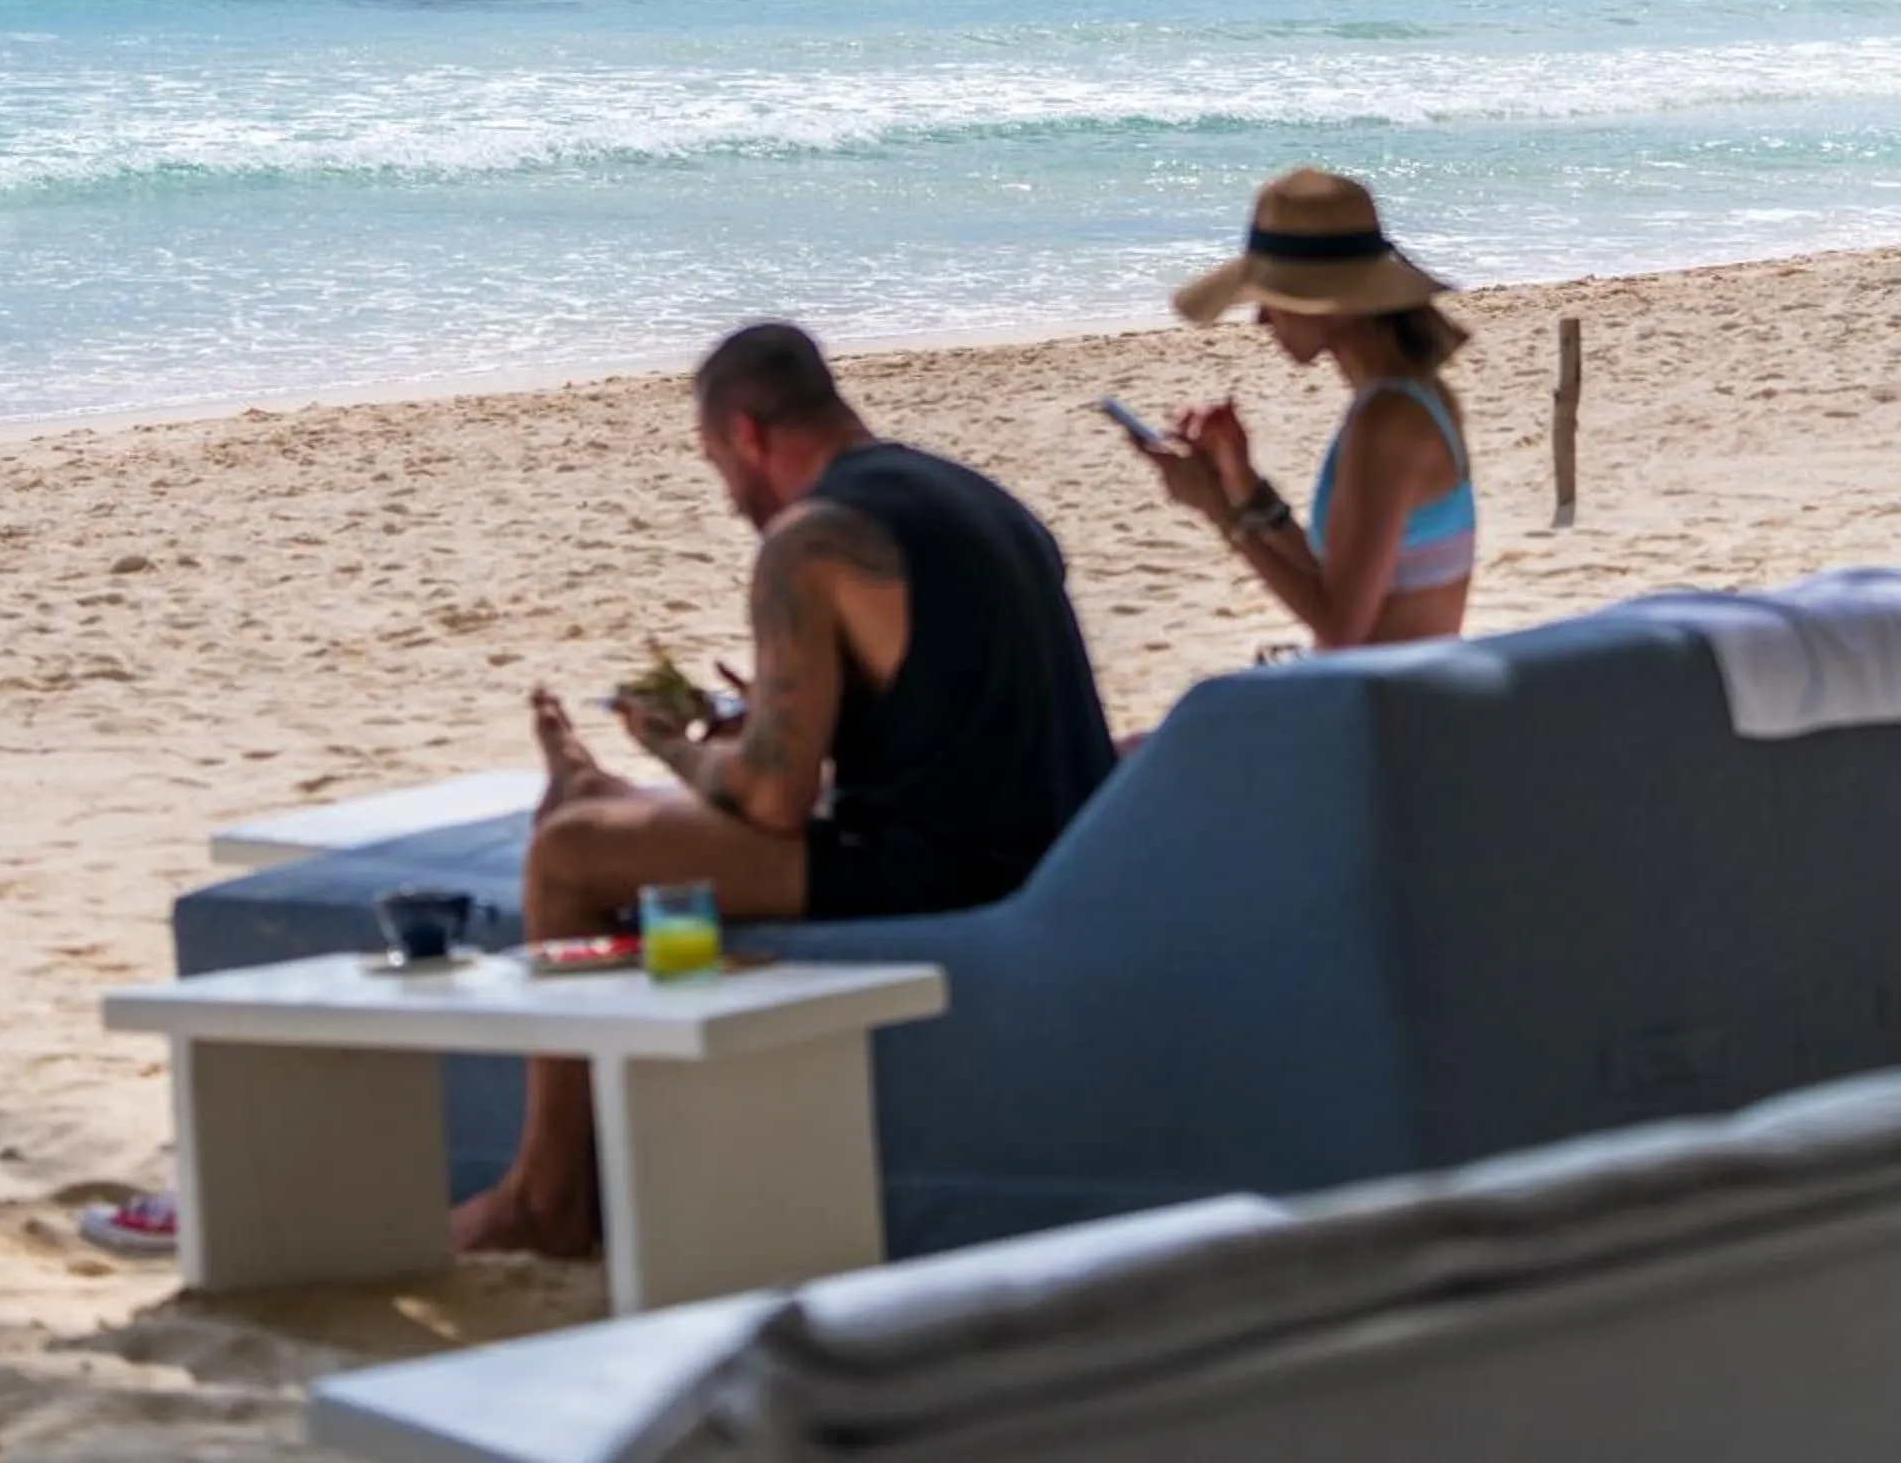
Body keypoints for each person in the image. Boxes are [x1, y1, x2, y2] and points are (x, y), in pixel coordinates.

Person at [453, 321, 1115, 1257]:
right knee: (645, 812)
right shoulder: (978, 497)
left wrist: (680, 748)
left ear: (748, 437)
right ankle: (598, 788)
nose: (727, 492)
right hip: (1059, 842)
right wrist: (766, 729)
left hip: (951, 871)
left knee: (568, 857)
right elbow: (952, 730)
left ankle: (544, 1198)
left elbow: (772, 803)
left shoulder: (811, 541)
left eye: (716, 460)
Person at [1149, 167, 1474, 652]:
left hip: (1387, 710)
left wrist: (1216, 508)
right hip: (1395, 693)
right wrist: (1243, 486)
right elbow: (1336, 579)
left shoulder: (1387, 424)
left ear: (1333, 303)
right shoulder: (1404, 399)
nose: (1260, 319)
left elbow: (1341, 625)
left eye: (1274, 299)